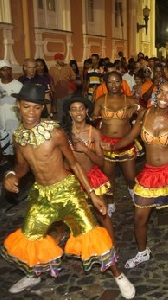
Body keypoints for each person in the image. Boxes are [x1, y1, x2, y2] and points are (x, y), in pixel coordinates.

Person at [1, 83, 135, 299]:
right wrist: (11, 175)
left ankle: (119, 276)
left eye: (36, 108)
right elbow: (23, 166)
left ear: (42, 109)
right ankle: (34, 274)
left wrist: (92, 195)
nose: (32, 113)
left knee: (92, 235)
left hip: (68, 193)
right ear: (18, 106)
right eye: (27, 107)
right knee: (31, 236)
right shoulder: (18, 137)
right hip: (42, 196)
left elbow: (74, 164)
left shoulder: (54, 133)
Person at [102, 79, 168, 268]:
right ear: (156, 93)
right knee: (139, 217)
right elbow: (130, 136)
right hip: (150, 173)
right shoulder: (145, 113)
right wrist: (112, 146)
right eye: (161, 93)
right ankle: (142, 252)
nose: (164, 98)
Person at [61, 94, 115, 243]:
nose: (78, 112)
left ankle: (111, 247)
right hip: (71, 179)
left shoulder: (94, 133)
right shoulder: (63, 134)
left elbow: (101, 162)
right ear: (69, 113)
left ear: (86, 111)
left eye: (81, 109)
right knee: (73, 217)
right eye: (74, 109)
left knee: (102, 214)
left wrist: (85, 149)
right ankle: (82, 246)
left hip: (92, 177)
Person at [91, 71, 139, 216]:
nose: (114, 85)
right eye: (110, 82)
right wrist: (93, 117)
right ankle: (111, 203)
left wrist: (134, 108)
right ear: (106, 84)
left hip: (125, 143)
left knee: (130, 177)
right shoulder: (101, 100)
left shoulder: (128, 99)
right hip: (106, 143)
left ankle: (135, 196)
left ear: (121, 83)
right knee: (108, 177)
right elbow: (93, 116)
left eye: (117, 81)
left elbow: (143, 109)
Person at [0, 59, 22, 160]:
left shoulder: (18, 85)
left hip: (15, 122)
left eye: (8, 69)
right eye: (3, 70)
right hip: (1, 123)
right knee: (4, 149)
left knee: (17, 148)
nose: (6, 72)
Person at [49, 53, 77, 123]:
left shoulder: (68, 67)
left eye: (62, 59)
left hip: (68, 91)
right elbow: (50, 80)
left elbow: (74, 76)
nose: (61, 61)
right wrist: (53, 90)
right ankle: (60, 124)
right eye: (59, 59)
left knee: (69, 107)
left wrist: (68, 79)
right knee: (60, 109)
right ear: (56, 60)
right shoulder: (52, 69)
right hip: (59, 93)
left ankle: (71, 122)